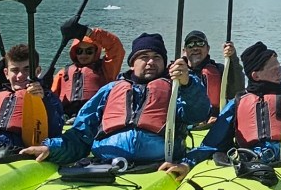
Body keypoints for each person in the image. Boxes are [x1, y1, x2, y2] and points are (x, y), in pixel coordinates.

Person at [20, 32, 209, 168]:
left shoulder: (175, 88)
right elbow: (80, 133)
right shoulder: (110, 90)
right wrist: (51, 147)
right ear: (132, 63)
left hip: (160, 163)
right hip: (107, 163)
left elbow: (198, 113)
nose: (151, 62)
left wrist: (187, 84)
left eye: (157, 57)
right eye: (144, 57)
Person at [177, 40, 281, 173]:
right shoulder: (238, 102)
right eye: (274, 69)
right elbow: (212, 142)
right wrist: (187, 163)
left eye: (280, 67)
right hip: (249, 157)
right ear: (256, 75)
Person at [52, 28, 124, 117]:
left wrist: (88, 32)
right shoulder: (63, 73)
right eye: (79, 51)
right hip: (67, 116)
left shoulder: (107, 68)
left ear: (96, 52)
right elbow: (52, 95)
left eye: (89, 51)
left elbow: (115, 46)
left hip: (96, 116)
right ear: (74, 52)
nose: (83, 55)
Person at [181, 29, 226, 116]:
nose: (195, 48)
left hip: (213, 120)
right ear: (184, 51)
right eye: (190, 45)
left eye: (200, 44)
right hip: (186, 120)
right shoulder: (176, 72)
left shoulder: (220, 69)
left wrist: (233, 59)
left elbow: (236, 88)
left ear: (208, 48)